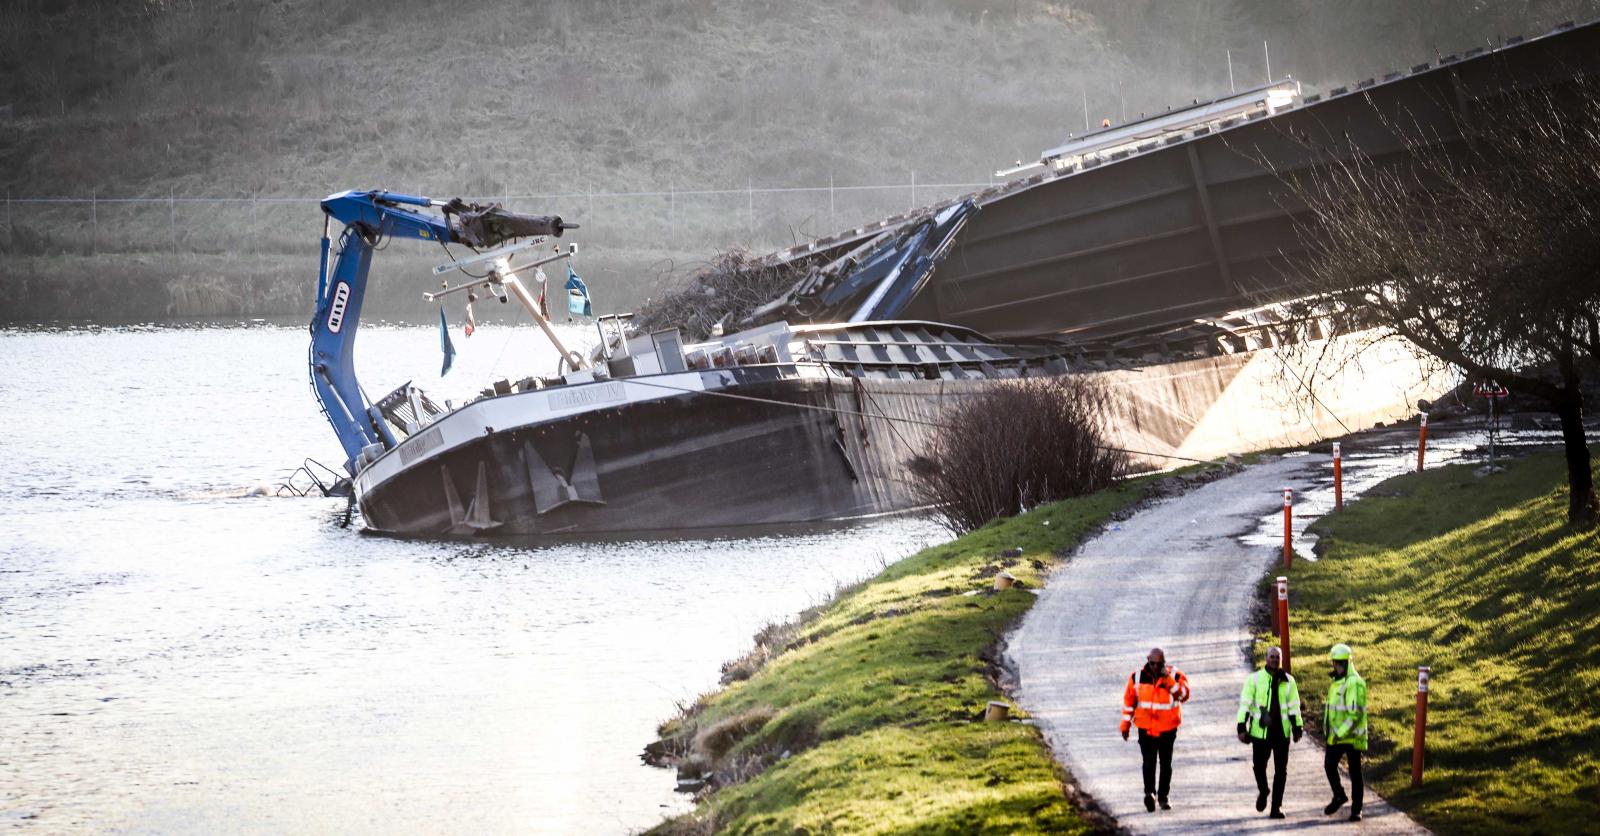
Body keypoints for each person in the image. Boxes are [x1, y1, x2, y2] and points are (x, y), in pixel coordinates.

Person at [1120, 647, 1191, 812]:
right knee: (1148, 762)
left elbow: (1183, 695)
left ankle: (1163, 797)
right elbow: (1129, 702)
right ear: (1147, 660)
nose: (1154, 667)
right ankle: (1149, 794)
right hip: (1146, 728)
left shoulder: (1176, 676)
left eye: (1158, 664)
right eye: (1152, 663)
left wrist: (1168, 680)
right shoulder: (1136, 677)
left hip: (1168, 729)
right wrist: (1125, 725)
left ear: (1164, 663)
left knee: (1166, 764)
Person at [1237, 646, 1302, 819]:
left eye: (1277, 657)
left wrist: (1297, 727)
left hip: (1281, 734)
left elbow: (1294, 707)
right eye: (1272, 656)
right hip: (1260, 734)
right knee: (1259, 767)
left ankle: (1276, 807)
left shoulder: (1289, 681)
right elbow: (1245, 704)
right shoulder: (1255, 679)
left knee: (1281, 772)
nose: (1274, 660)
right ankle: (1263, 790)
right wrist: (1241, 726)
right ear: (1266, 659)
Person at [1324, 643, 1368, 821]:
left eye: (1339, 663)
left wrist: (1338, 733)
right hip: (1337, 736)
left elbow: (1355, 713)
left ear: (1346, 663)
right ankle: (1339, 795)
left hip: (1350, 737)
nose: (1336, 666)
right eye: (1335, 662)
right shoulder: (1337, 681)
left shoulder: (1354, 682)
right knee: (1329, 766)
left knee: (1355, 773)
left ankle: (1356, 810)